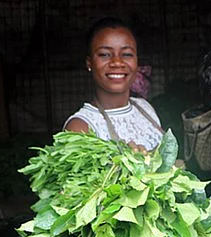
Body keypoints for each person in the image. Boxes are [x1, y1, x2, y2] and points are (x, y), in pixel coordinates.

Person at [63, 17, 163, 152]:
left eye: (127, 54)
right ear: (89, 63)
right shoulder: (80, 128)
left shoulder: (145, 108)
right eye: (105, 54)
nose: (117, 62)